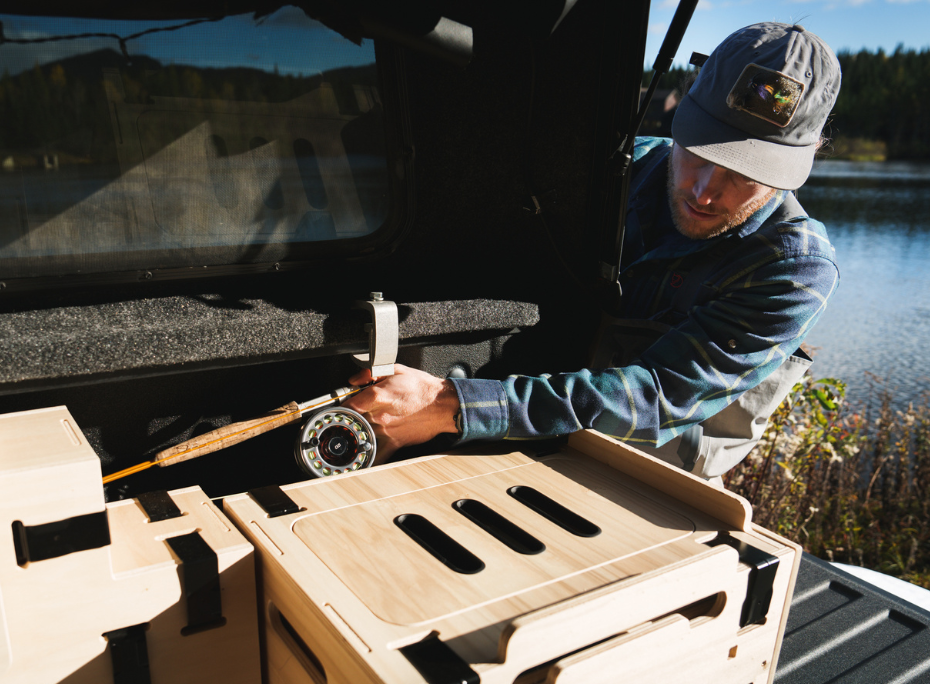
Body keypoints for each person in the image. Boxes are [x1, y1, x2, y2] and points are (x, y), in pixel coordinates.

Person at [345, 22, 842, 479]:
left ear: (806, 159)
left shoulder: (795, 269)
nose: (704, 191)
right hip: (516, 433)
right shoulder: (614, 170)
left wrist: (448, 405)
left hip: (647, 481)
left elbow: (656, 396)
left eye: (745, 174)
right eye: (699, 150)